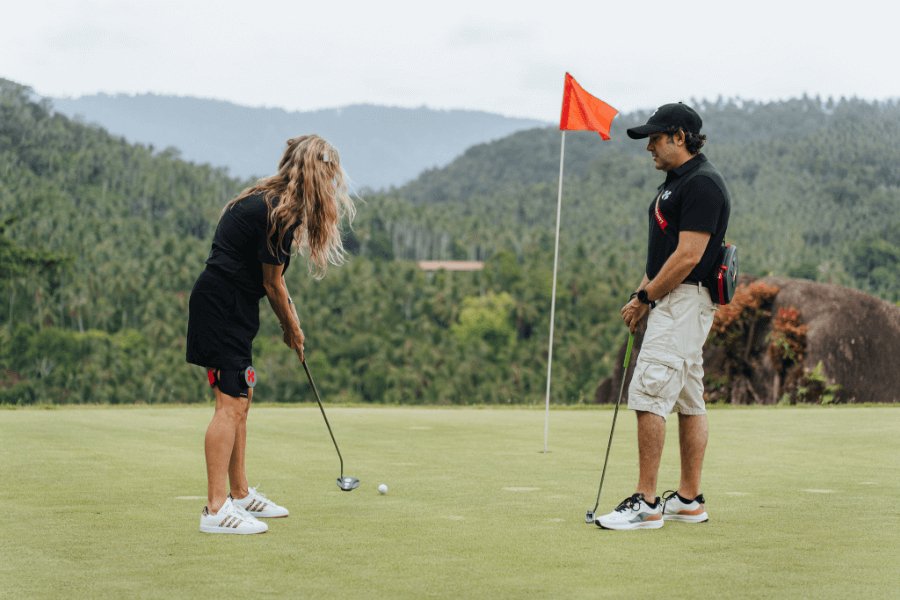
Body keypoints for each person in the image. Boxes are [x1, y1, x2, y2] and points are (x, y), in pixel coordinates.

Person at [186, 135, 356, 534]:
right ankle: (215, 510)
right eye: (329, 176)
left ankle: (240, 494)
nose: (332, 185)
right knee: (229, 405)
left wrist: (292, 323)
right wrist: (292, 330)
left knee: (241, 400)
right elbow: (273, 284)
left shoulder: (276, 204)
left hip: (232, 307)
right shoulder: (275, 210)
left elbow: (276, 281)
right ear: (316, 174)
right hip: (222, 306)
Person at [595, 103, 730, 531]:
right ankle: (688, 501)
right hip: (675, 300)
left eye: (655, 138)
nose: (648, 147)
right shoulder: (677, 183)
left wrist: (647, 298)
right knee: (689, 400)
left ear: (679, 136)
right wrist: (641, 295)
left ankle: (647, 504)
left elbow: (689, 256)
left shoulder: (703, 184)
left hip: (683, 301)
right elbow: (664, 255)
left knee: (649, 393)